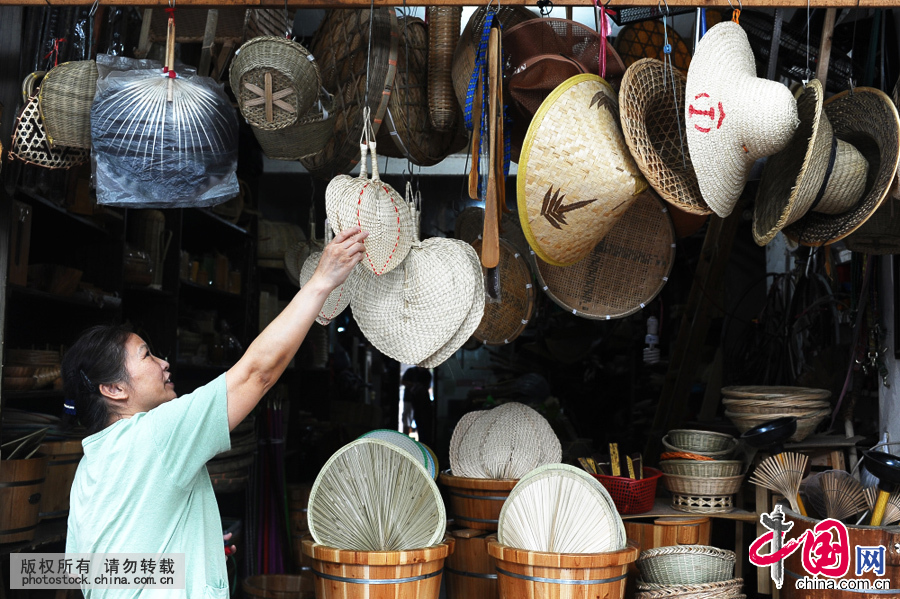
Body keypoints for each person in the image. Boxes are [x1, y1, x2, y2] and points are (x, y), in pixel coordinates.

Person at [62, 227, 368, 599]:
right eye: (147, 355)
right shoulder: (156, 434)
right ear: (114, 390)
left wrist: (190, 556)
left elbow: (89, 574)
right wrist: (322, 281)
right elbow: (258, 372)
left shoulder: (89, 467)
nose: (164, 363)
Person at [402, 367, 433, 448]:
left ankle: (418, 444)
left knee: (420, 422)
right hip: (410, 400)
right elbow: (403, 381)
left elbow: (427, 386)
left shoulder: (426, 374)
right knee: (407, 421)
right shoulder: (411, 371)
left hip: (420, 403)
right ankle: (405, 443)